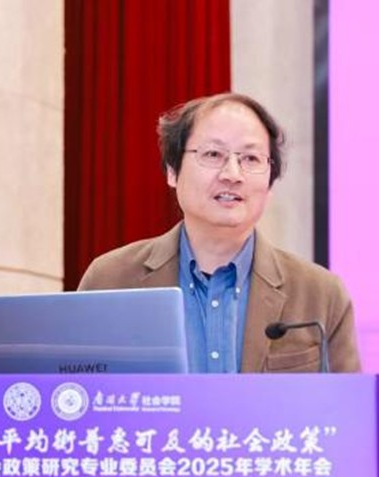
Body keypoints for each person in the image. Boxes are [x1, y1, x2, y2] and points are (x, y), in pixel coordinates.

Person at [78, 92, 360, 373]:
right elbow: (76, 393)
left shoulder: (320, 295)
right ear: (172, 171)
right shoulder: (110, 280)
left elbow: (347, 401)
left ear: (270, 183)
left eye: (251, 158)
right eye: (213, 154)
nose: (232, 174)